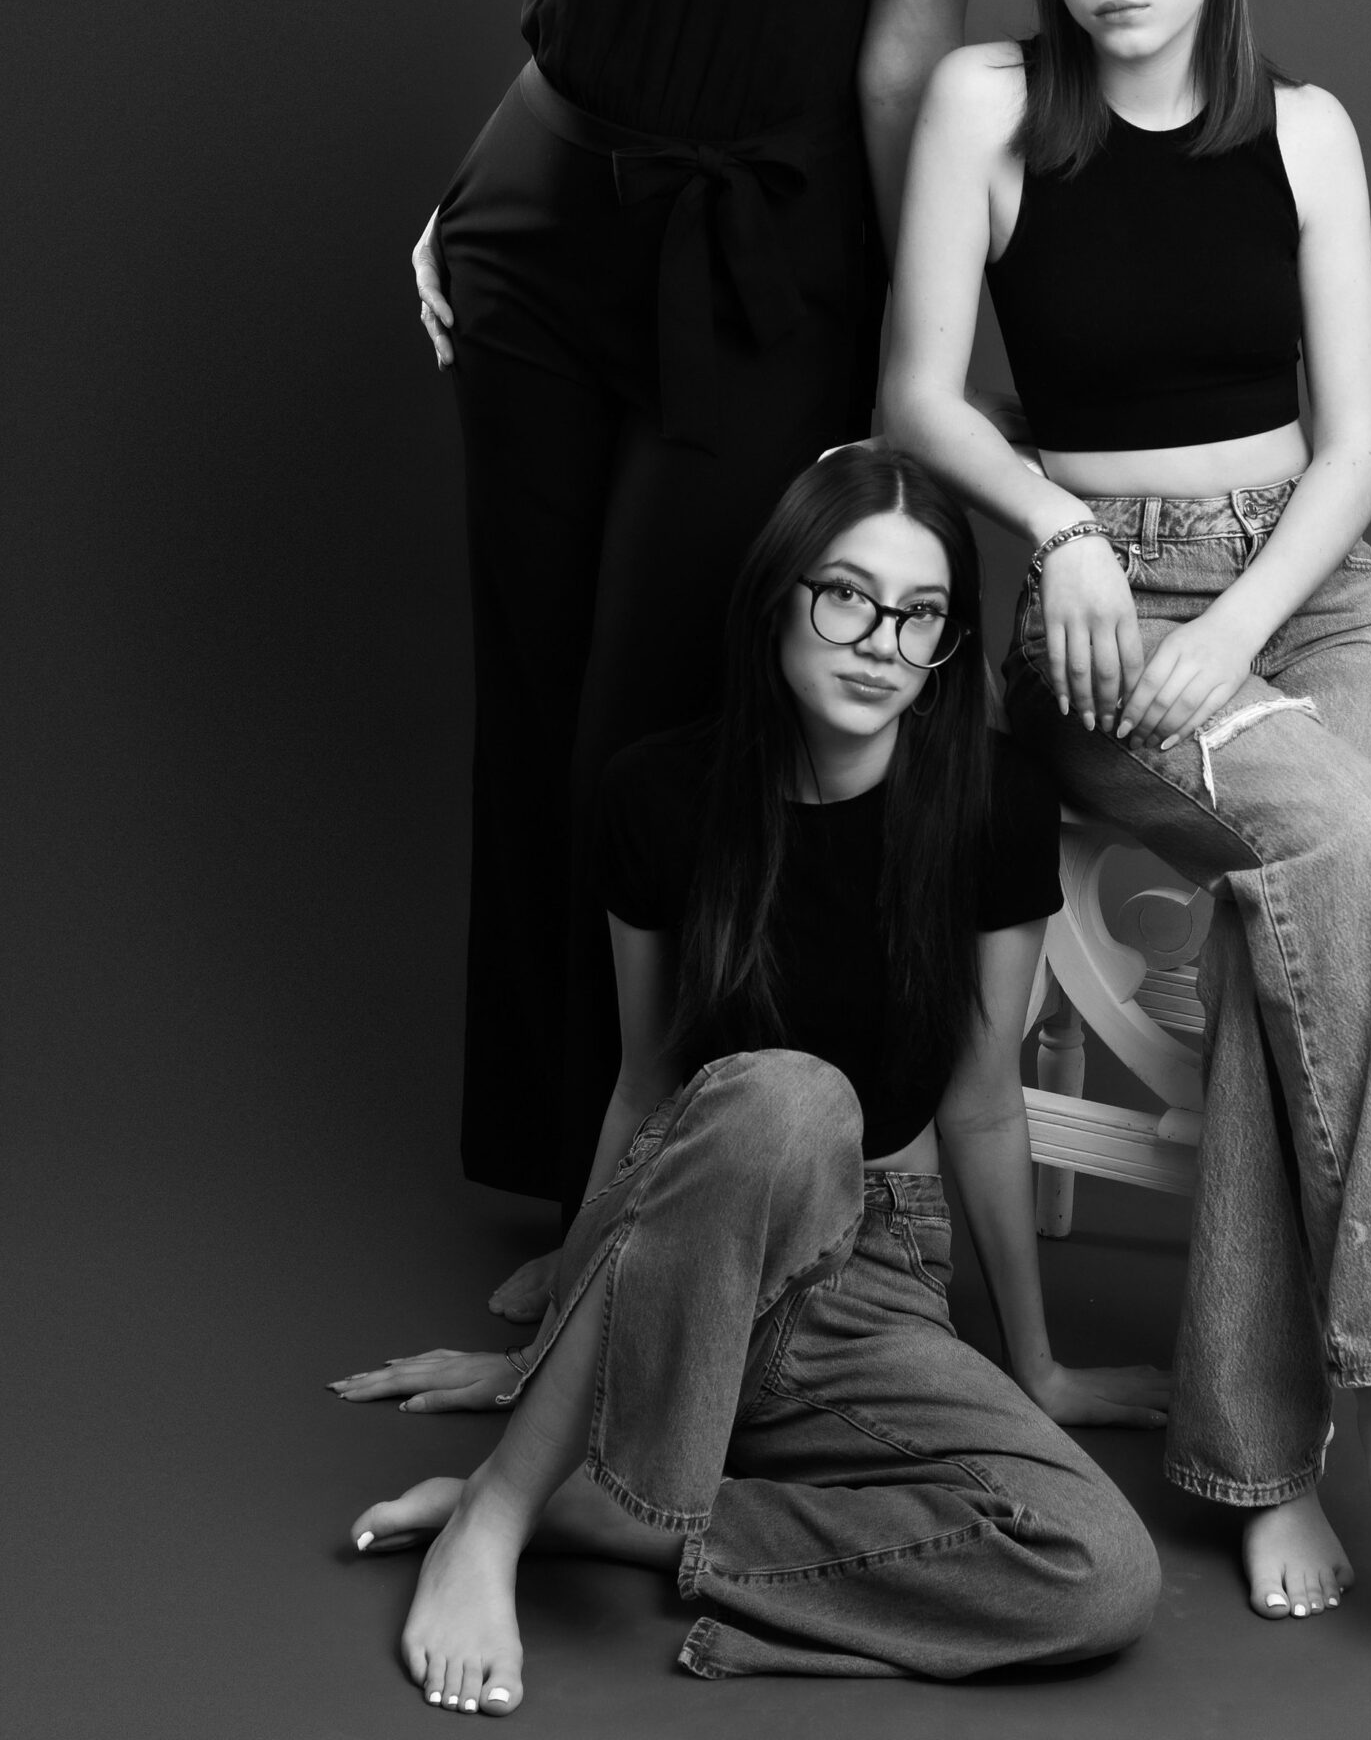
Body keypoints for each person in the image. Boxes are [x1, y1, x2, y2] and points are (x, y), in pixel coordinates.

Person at [882, 0, 1371, 1620]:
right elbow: (920, 389)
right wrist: (1061, 539)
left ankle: (1265, 1456)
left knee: (1295, 895)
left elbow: (1359, 445)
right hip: (1092, 626)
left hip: (1309, 611)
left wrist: (1237, 630)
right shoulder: (986, 107)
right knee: (1339, 855)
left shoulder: (1306, 131)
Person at [411, 0, 1020, 1228]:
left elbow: (902, 57)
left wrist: (910, 357)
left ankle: (675, 1196)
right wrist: (466, 187)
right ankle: (549, 1180)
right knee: (525, 701)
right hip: (543, 224)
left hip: (758, 261)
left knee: (659, 711)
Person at [331, 449, 1166, 1708]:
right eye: (844, 594)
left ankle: (627, 1518)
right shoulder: (658, 797)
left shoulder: (991, 803)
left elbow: (982, 1092)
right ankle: (494, 1516)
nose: (880, 640)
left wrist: (1035, 1368)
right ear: (777, 595)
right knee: (788, 1095)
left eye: (921, 614)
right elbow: (647, 1085)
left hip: (872, 1279)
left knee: (1100, 1570)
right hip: (689, 1253)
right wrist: (566, 1320)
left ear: (947, 641)